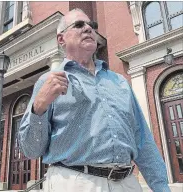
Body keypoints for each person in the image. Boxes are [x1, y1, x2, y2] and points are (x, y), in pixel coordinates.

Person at [18, 8, 170, 192]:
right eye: (79, 25)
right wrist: (38, 107)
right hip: (75, 182)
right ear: (61, 39)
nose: (88, 28)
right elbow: (31, 150)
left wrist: (161, 187)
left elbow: (142, 139)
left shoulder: (119, 82)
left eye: (92, 25)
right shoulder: (48, 82)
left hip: (127, 183)